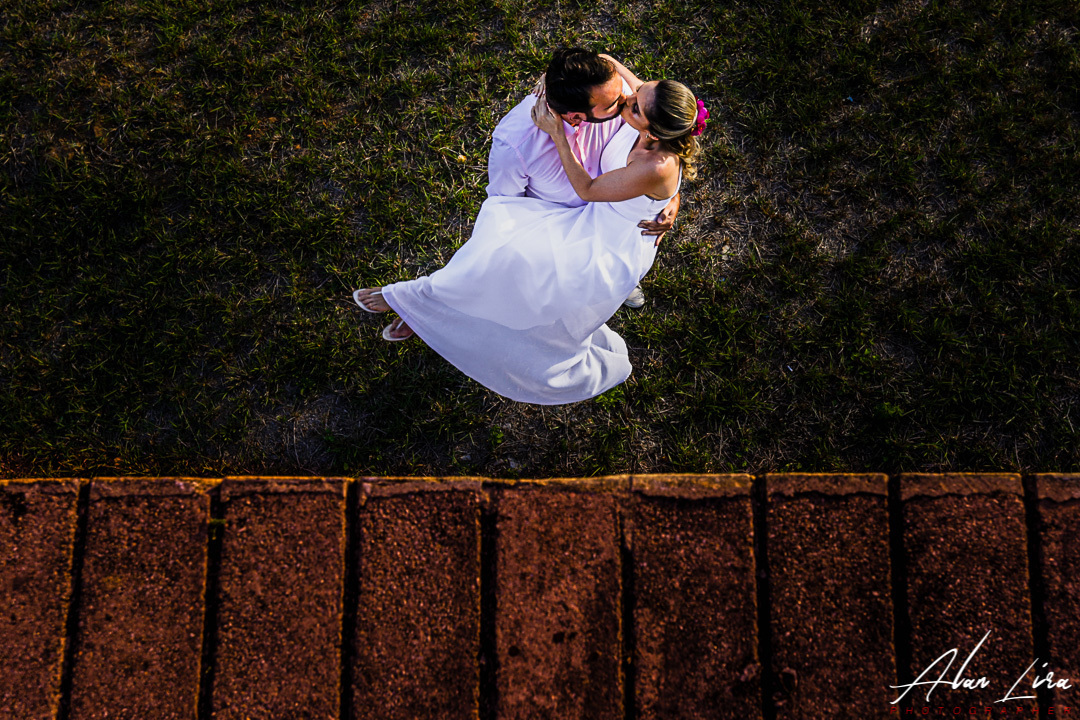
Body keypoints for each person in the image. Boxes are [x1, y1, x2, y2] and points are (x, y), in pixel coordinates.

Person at [353, 56, 706, 405]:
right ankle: (419, 303)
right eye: (636, 89)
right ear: (575, 114)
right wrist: (550, 82)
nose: (629, 94)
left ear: (651, 131)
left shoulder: (653, 156)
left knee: (559, 310)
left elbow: (592, 190)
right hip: (583, 218)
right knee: (499, 261)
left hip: (611, 238)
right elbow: (605, 60)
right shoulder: (632, 100)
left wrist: (665, 199)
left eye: (632, 105)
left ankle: (437, 314)